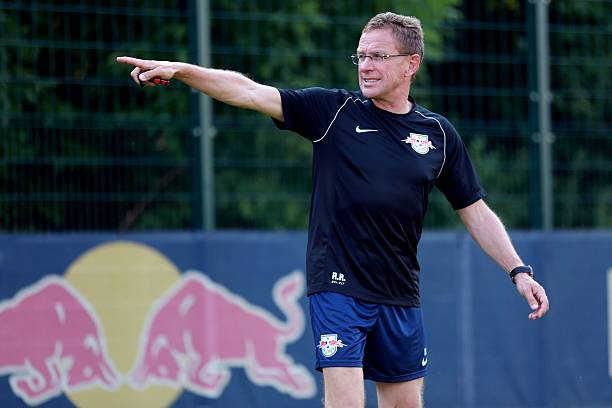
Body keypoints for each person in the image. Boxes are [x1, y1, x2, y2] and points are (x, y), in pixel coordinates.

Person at [117, 11, 549, 408]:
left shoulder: (437, 134)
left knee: (405, 405)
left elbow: (474, 209)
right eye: (360, 56)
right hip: (338, 285)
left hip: (400, 292)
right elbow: (248, 92)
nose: (365, 66)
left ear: (410, 64)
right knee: (344, 402)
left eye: (378, 56)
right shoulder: (333, 111)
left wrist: (519, 270)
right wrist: (182, 71)